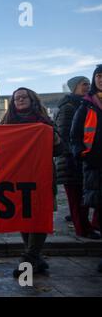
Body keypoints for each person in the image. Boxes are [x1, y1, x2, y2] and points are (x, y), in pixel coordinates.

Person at [2, 88, 63, 277]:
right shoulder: (6, 124)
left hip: (41, 176)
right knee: (25, 215)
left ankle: (28, 259)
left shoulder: (44, 122)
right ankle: (36, 257)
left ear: (32, 99)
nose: (20, 100)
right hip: (19, 177)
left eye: (23, 97)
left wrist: (53, 138)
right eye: (16, 98)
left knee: (39, 215)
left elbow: (59, 149)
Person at [55, 76, 99, 239]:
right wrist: (77, 153)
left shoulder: (87, 104)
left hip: (85, 159)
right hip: (72, 161)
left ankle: (89, 224)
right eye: (84, 84)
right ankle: (83, 229)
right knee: (77, 198)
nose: (88, 87)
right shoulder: (68, 107)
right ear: (74, 88)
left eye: (89, 84)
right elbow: (65, 135)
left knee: (86, 196)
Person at [70, 64, 102, 273]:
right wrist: (83, 154)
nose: (101, 79)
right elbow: (74, 136)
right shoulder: (86, 106)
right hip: (96, 164)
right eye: (99, 76)